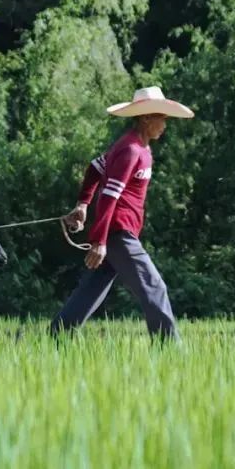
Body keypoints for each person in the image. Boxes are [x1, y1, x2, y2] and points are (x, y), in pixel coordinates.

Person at [51, 86, 194, 341]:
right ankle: (171, 351)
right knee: (155, 286)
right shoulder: (130, 150)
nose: (165, 124)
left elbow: (95, 168)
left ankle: (56, 337)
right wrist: (100, 241)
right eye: (161, 117)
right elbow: (109, 197)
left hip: (118, 233)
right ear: (146, 117)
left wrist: (83, 204)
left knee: (92, 290)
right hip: (118, 233)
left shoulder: (137, 147)